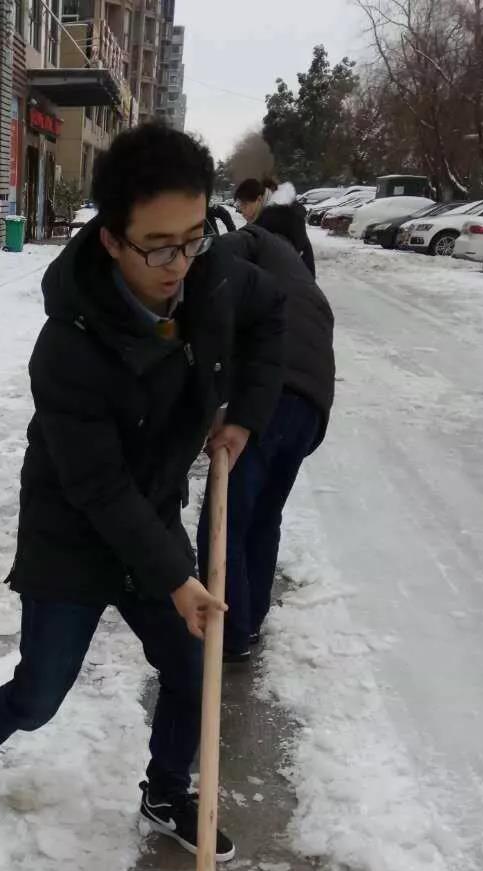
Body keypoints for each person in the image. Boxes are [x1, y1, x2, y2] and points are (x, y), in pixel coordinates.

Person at [0, 124, 285, 861]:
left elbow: (271, 317)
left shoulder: (211, 271)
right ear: (110, 240)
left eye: (194, 238)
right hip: (71, 536)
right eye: (160, 246)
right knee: (40, 695)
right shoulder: (66, 350)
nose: (180, 263)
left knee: (194, 667)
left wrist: (245, 416)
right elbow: (96, 487)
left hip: (151, 518)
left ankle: (165, 791)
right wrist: (176, 577)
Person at [198, 220, 335, 661]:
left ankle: (229, 634)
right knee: (264, 516)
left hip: (269, 398)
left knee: (224, 521)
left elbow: (209, 264)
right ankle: (250, 622)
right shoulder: (306, 282)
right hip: (310, 411)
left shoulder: (252, 240)